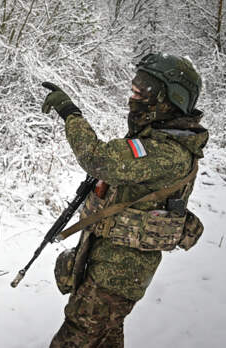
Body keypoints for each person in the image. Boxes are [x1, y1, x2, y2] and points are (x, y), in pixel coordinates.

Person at [41, 53, 208, 347]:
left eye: (143, 89)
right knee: (106, 337)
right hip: (111, 261)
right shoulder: (160, 138)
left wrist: (70, 112)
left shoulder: (166, 151)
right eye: (136, 86)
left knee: (77, 337)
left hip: (118, 273)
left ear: (170, 98)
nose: (134, 94)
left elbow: (98, 159)